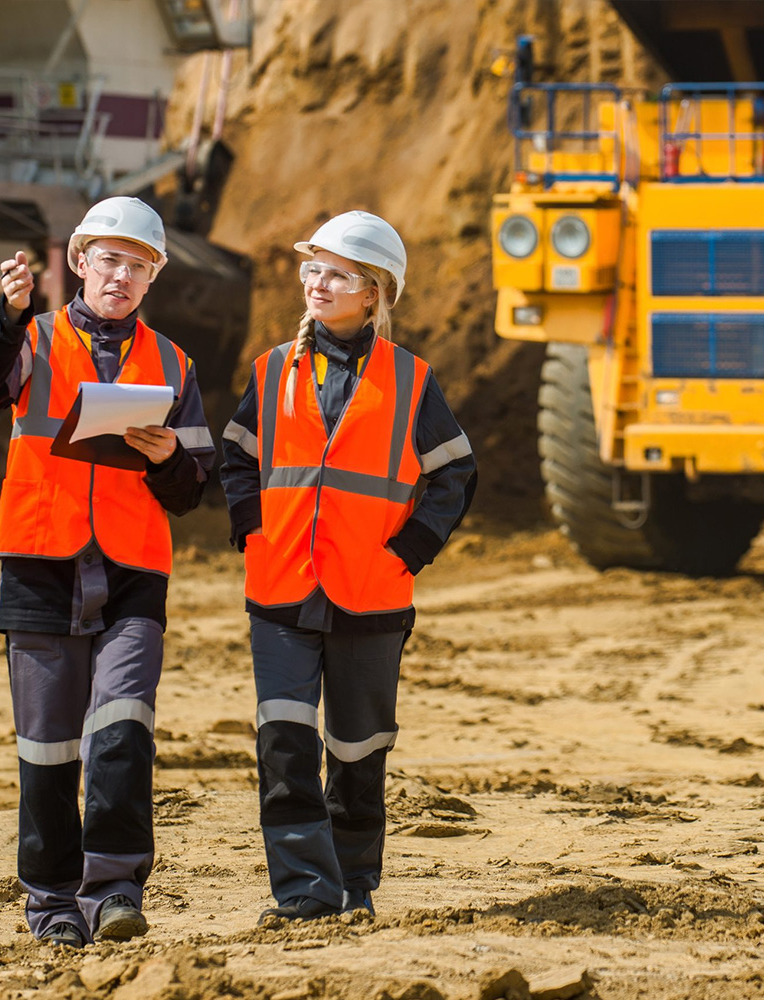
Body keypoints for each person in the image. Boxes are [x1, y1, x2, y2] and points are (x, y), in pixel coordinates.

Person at [0, 196, 215, 948]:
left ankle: (114, 891)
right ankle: (51, 904)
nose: (122, 276)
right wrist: (6, 315)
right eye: (109, 260)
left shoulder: (174, 364)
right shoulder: (32, 338)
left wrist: (169, 458)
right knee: (47, 749)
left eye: (139, 266)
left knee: (123, 731)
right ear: (79, 262)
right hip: (41, 562)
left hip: (133, 571)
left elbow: (192, 490)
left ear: (153, 278)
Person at [220, 210, 476, 922]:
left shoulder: (411, 380)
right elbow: (237, 455)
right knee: (284, 743)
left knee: (359, 750)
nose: (318, 283)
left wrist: (410, 551)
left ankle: (355, 885)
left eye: (337, 274)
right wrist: (253, 528)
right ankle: (305, 891)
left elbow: (455, 473)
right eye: (313, 269)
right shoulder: (272, 369)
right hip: (281, 587)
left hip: (371, 593)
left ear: (374, 293)